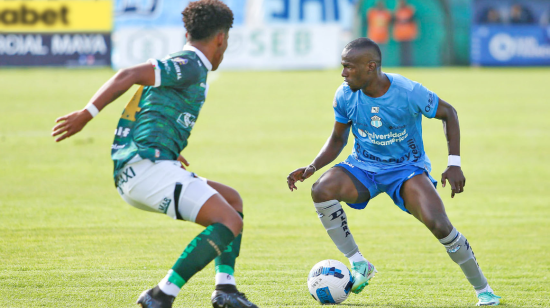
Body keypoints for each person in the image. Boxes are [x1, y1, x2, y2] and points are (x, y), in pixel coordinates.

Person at [51, 1, 258, 307]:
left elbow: (150, 108)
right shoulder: (189, 64)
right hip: (146, 170)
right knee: (229, 221)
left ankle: (225, 289)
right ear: (221, 39)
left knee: (232, 200)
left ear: (187, 31)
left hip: (148, 165)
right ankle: (162, 294)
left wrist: (171, 147)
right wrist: (87, 113)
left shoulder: (188, 64)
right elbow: (128, 74)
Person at [286, 38, 501, 306]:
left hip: (406, 170)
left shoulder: (408, 91)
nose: (343, 73)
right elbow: (338, 138)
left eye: (348, 67)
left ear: (370, 67)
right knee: (321, 190)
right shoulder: (345, 94)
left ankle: (484, 290)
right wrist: (312, 166)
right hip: (362, 167)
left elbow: (449, 113)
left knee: (440, 225)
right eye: (343, 67)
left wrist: (454, 162)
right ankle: (359, 263)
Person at [392, 0, 418, 66]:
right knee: (401, 52)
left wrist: (415, 32)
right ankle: (402, 65)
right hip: (400, 34)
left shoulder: (409, 10)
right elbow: (394, 21)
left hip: (408, 34)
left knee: (408, 51)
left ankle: (409, 65)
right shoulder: (397, 11)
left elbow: (414, 21)